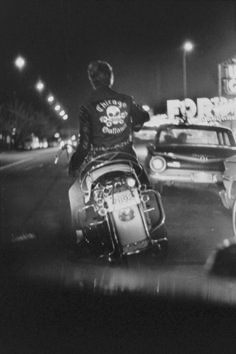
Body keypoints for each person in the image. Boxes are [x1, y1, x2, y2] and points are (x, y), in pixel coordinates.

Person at [68, 60, 149, 247]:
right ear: (111, 78)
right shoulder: (126, 100)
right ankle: (151, 222)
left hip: (99, 163)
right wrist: (136, 123)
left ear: (92, 80)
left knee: (74, 193)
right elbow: (142, 117)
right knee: (146, 185)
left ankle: (81, 239)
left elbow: (85, 144)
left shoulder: (86, 106)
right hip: (127, 160)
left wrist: (74, 163)